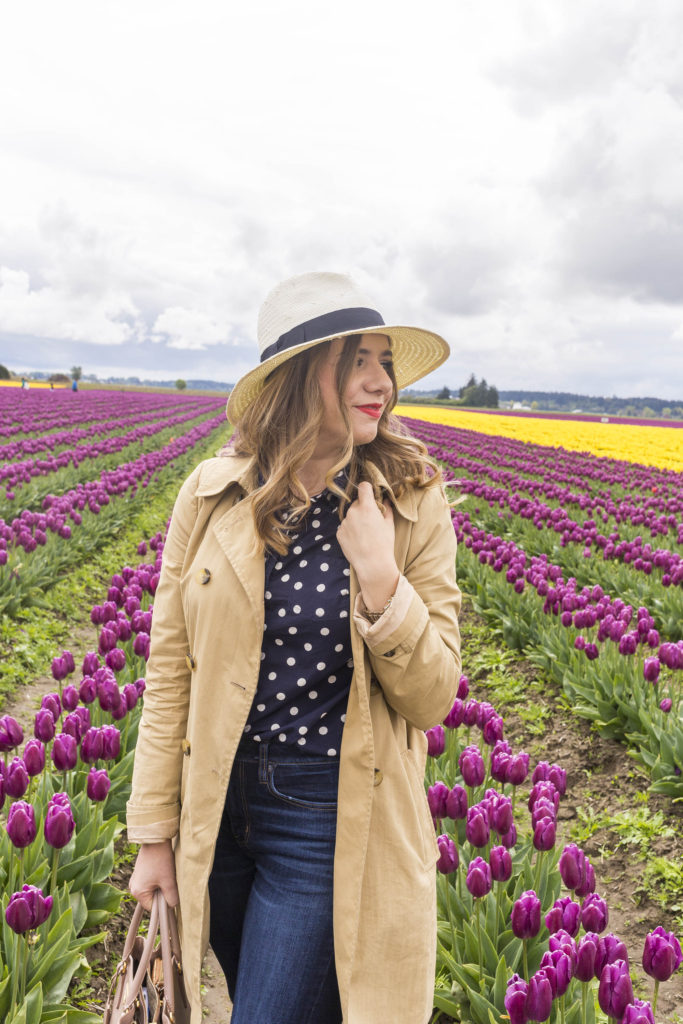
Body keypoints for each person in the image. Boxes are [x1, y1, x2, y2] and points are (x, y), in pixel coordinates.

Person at [127, 271, 462, 1024]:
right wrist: (153, 835)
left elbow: (433, 695)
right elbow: (170, 670)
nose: (380, 382)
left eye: (385, 362)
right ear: (297, 377)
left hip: (327, 815)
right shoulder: (210, 496)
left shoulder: (410, 504)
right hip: (218, 810)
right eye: (357, 362)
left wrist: (381, 581)